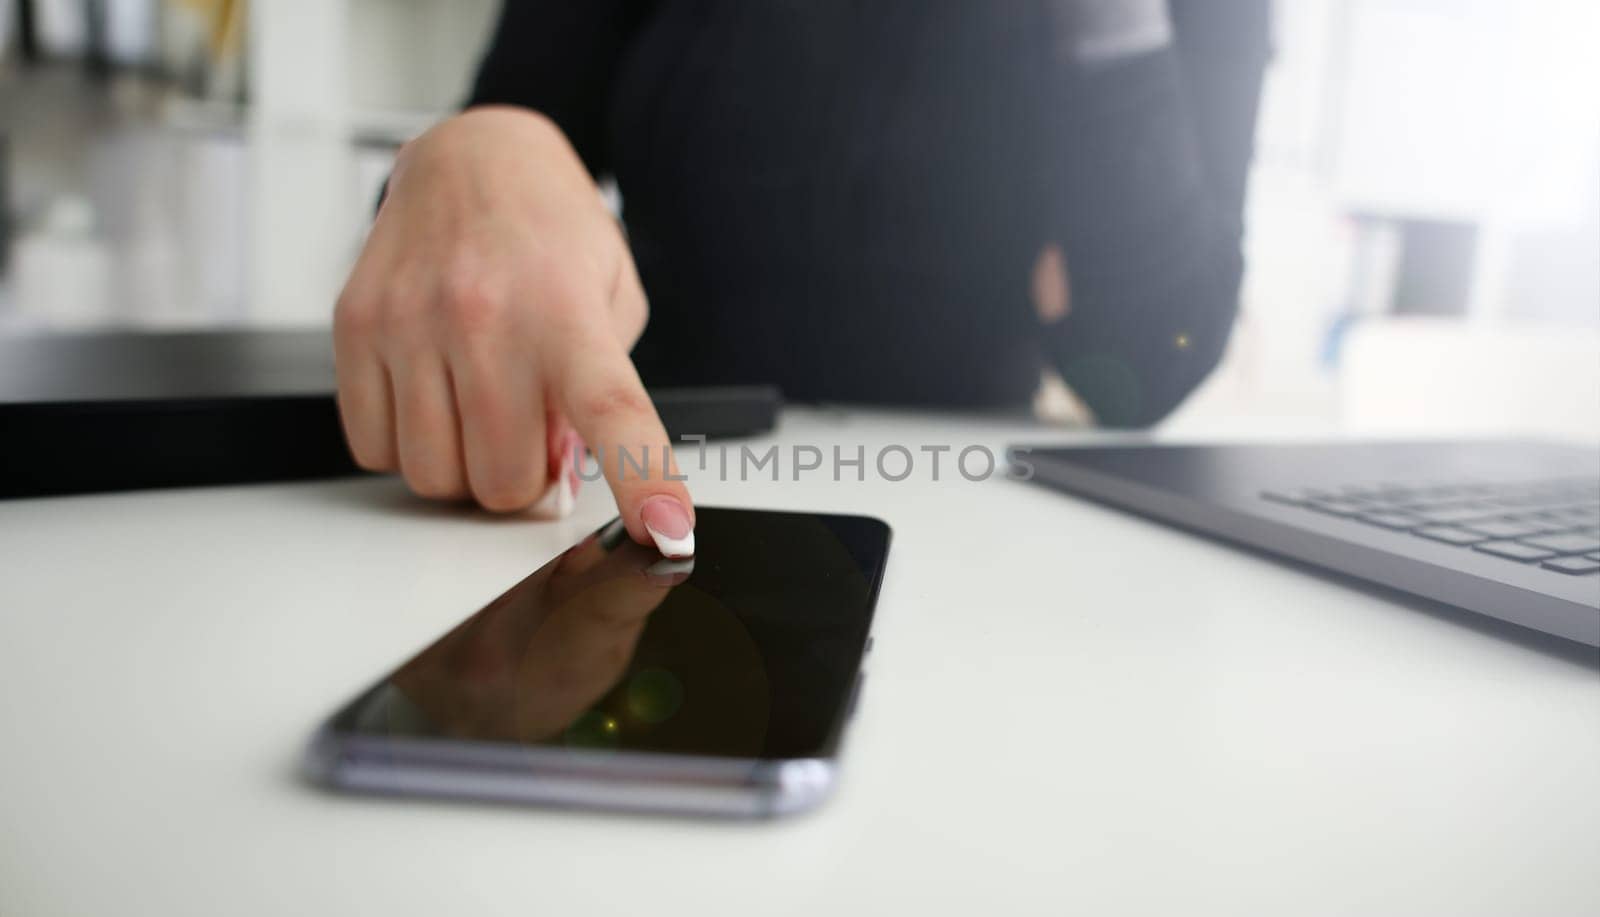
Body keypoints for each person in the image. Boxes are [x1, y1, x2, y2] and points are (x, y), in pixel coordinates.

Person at [332, 0, 1270, 555]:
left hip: (987, 523)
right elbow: (496, 207)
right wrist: (475, 157)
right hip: (610, 487)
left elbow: (1156, 351)